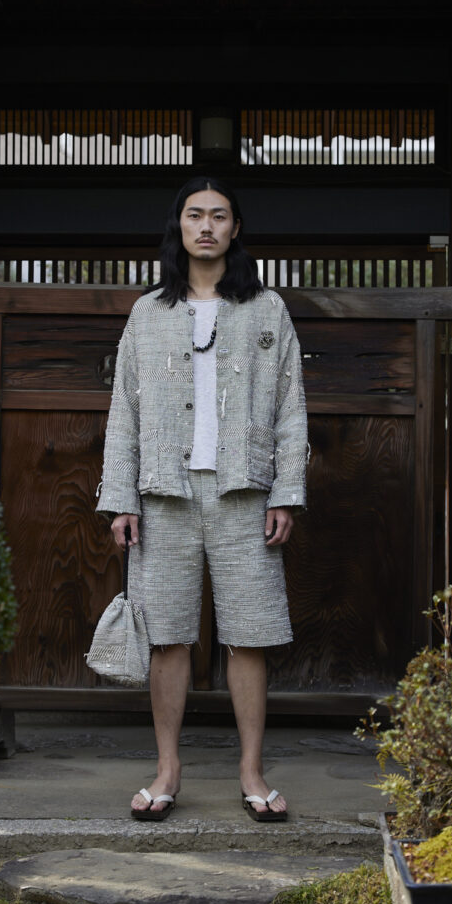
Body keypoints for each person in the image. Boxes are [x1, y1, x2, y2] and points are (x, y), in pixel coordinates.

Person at [96, 176, 308, 821]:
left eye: (219, 215)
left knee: (250, 633)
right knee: (166, 636)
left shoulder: (267, 309)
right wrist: (121, 497)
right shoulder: (148, 312)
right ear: (180, 226)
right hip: (164, 491)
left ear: (235, 228)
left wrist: (287, 492)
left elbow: (291, 406)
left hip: (245, 491)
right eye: (195, 215)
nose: (207, 226)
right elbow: (124, 411)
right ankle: (167, 770)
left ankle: (251, 771)